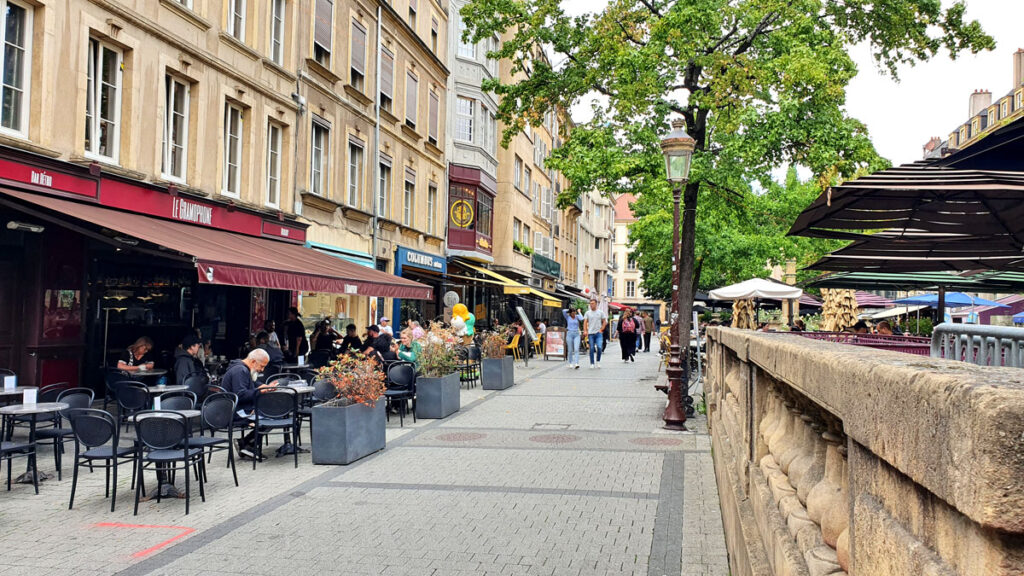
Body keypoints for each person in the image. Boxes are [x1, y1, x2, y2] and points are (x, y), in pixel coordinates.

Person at [220, 348, 276, 459]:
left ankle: (246, 444)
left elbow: (252, 383)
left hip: (237, 408)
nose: (262, 370)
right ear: (253, 362)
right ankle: (247, 444)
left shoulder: (243, 369)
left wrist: (264, 386)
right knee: (270, 417)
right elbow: (241, 395)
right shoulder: (240, 371)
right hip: (234, 411)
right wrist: (260, 391)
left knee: (270, 414)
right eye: (262, 366)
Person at [582, 299, 608, 368]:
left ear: (596, 304)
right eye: (590, 303)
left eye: (592, 303)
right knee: (591, 349)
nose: (591, 305)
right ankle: (592, 363)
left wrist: (601, 329)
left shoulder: (600, 312)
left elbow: (604, 321)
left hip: (598, 333)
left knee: (599, 347)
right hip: (591, 333)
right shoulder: (587, 313)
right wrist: (585, 330)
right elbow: (585, 322)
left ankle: (598, 361)